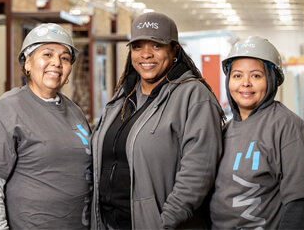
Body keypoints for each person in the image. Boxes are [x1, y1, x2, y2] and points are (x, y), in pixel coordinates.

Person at [90, 12, 225, 229]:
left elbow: (199, 172)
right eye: (137, 47)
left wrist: (165, 222)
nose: (146, 55)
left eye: (156, 46)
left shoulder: (193, 96)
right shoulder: (122, 97)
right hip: (109, 223)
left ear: (174, 50)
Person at [0, 23, 92, 230]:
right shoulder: (6, 110)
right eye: (47, 54)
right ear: (27, 62)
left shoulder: (74, 111)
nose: (57, 63)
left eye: (64, 57)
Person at [210, 36, 304, 229]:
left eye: (256, 75)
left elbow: (300, 204)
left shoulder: (287, 127)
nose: (246, 83)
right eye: (237, 75)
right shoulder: (225, 130)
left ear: (272, 79)